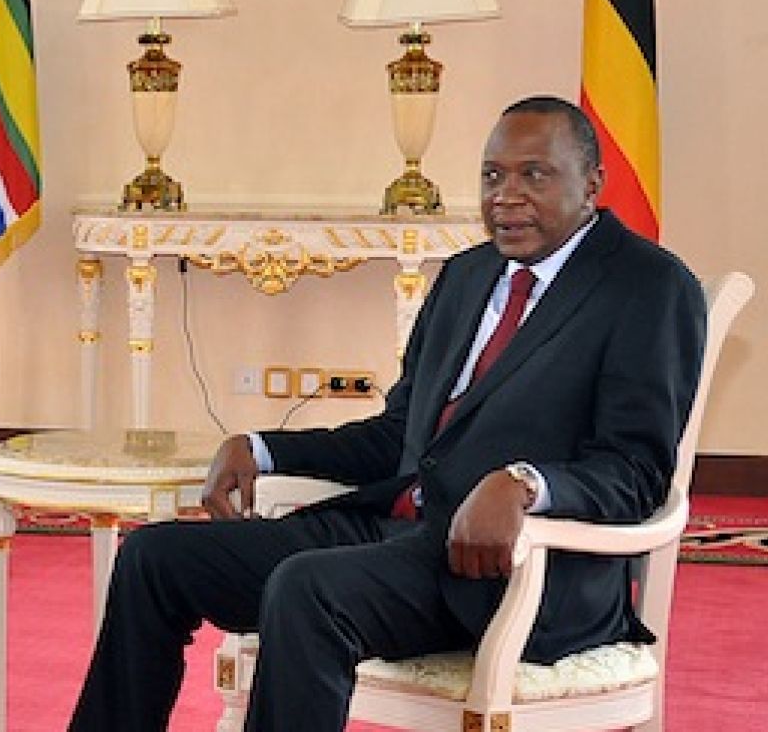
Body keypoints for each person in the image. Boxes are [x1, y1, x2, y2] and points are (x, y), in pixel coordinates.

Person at [67, 95, 706, 732]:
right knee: (154, 559)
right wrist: (262, 448)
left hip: (514, 572)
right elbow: (401, 435)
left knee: (306, 589)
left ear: (592, 182)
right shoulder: (465, 277)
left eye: (534, 174)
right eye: (492, 176)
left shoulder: (648, 286)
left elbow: (637, 471)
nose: (506, 196)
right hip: (393, 532)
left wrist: (525, 484)